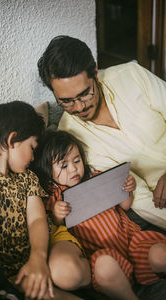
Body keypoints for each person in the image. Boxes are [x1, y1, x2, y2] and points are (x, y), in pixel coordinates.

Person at [37, 35, 166, 231]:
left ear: (95, 73)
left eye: (84, 94)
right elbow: (135, 192)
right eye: (66, 101)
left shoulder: (131, 76)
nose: (79, 107)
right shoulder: (70, 139)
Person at [0, 101, 91, 300]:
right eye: (32, 147)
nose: (33, 157)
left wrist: (38, 258)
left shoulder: (27, 179)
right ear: (12, 140)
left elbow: (37, 220)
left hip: (40, 252)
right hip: (8, 275)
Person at [34, 129, 166, 300]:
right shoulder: (55, 197)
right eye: (64, 166)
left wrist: (128, 189)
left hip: (132, 240)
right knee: (104, 267)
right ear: (48, 170)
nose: (74, 168)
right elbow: (56, 228)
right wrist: (58, 215)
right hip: (103, 254)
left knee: (159, 254)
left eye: (77, 160)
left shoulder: (96, 177)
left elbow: (125, 206)